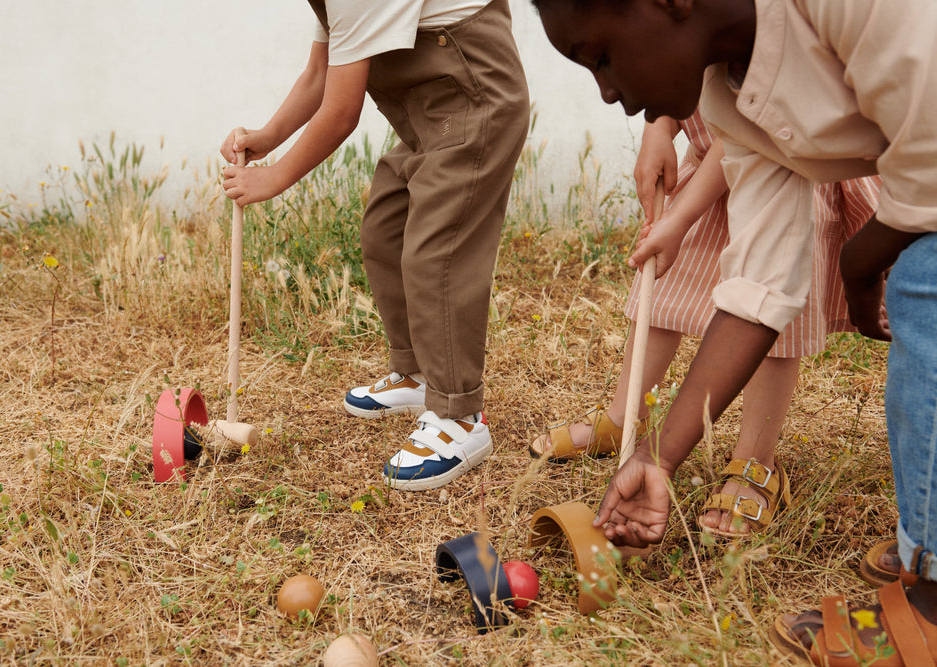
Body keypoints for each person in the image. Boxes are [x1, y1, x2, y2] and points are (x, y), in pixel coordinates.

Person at [530, 0, 937, 662]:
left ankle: (933, 608)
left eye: (601, 57)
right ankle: (930, 539)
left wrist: (860, 269)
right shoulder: (732, 98)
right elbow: (759, 289)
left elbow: (931, 170)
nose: (606, 92)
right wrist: (655, 458)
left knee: (926, 281)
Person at [221, 0, 529, 491]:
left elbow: (342, 112)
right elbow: (318, 74)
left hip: (474, 104)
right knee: (385, 231)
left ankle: (460, 416)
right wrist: (269, 136)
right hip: (430, 119)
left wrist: (274, 177)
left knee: (436, 253)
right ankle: (417, 374)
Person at [530, 109, 880, 537]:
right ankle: (624, 419)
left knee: (768, 313)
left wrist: (680, 217)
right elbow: (674, 74)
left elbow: (744, 133)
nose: (610, 96)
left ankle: (756, 460)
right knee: (665, 283)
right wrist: (658, 127)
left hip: (780, 170)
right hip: (710, 164)